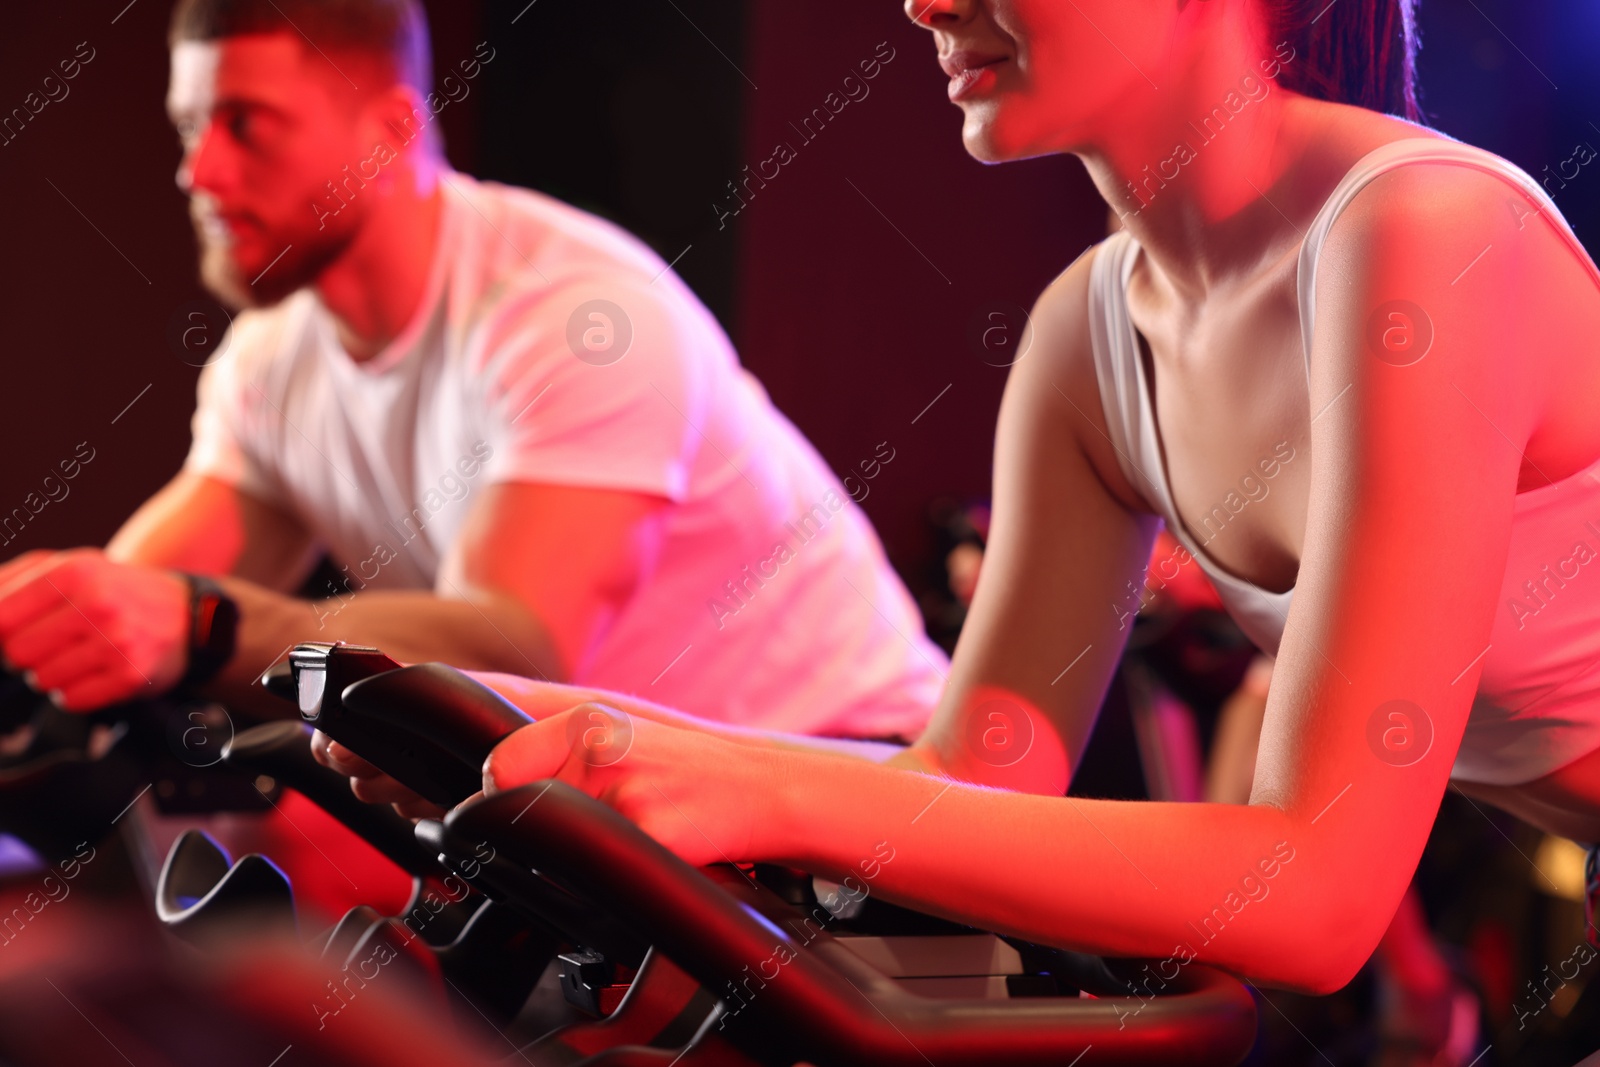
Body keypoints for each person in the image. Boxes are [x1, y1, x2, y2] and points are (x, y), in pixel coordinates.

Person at [331, 0, 1600, 1003]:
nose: (924, 3)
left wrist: (756, 787)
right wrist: (555, 723)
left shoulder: (1425, 238)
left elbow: (1311, 892)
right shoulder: (1088, 334)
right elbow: (976, 772)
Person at [0, 0, 944, 742]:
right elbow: (136, 598)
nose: (196, 173)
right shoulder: (274, 356)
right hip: (642, 792)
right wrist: (61, 628)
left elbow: (516, 651)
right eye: (190, 125)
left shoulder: (574, 312)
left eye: (245, 125)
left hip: (855, 772)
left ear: (388, 133)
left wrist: (206, 627)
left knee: (310, 831)